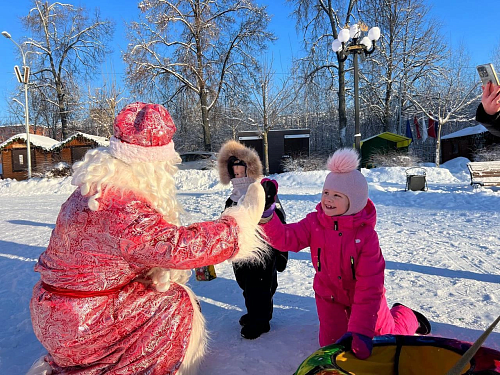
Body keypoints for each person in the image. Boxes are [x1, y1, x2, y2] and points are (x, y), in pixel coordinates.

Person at [27, 102, 268, 375]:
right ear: (151, 165)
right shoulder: (122, 205)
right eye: (165, 166)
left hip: (59, 313)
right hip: (84, 323)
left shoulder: (93, 191)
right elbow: (178, 247)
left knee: (156, 287)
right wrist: (240, 223)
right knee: (174, 302)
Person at [260, 148, 430, 359]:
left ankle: (406, 315)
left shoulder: (366, 237)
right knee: (332, 348)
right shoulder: (315, 223)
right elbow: (285, 238)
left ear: (354, 201)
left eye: (337, 195)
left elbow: (370, 287)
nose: (328, 199)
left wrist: (361, 331)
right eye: (326, 193)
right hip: (329, 298)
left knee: (383, 341)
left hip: (365, 299)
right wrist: (267, 214)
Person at [217, 140, 288, 340]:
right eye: (233, 169)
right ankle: (254, 313)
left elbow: (279, 217)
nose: (236, 172)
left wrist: (281, 251)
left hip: (262, 249)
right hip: (242, 250)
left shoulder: (262, 191)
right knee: (246, 284)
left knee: (261, 286)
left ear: (250, 169)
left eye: (241, 167)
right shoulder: (233, 196)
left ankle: (261, 321)